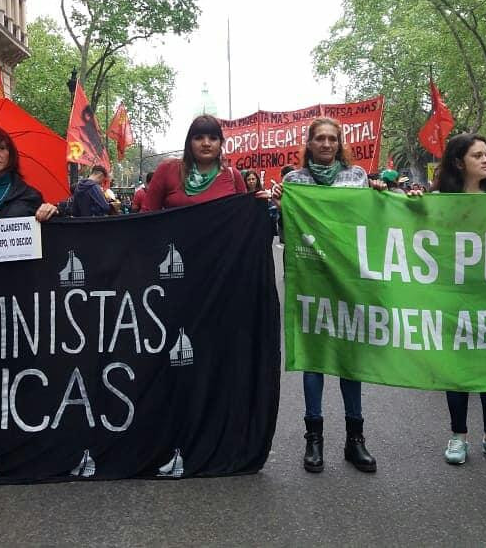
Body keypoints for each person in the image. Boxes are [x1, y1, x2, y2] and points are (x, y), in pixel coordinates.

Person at [270, 117, 394, 475]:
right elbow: (287, 230)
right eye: (319, 138)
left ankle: (355, 440)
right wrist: (281, 205)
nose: (325, 144)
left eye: (332, 139)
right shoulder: (294, 182)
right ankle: (314, 439)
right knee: (315, 358)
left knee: (349, 358)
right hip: (311, 278)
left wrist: (390, 200)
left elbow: (369, 220)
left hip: (349, 280)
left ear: (340, 144)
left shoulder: (356, 178)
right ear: (308, 144)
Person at [432, 133, 486, 467]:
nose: (485, 160)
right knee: (459, 369)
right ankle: (458, 435)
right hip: (454, 295)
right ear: (458, 162)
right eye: (477, 155)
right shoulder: (438, 199)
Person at [142, 115, 250, 211]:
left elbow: (245, 218)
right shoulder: (167, 170)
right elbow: (146, 217)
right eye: (199, 138)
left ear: (221, 143)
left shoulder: (233, 176)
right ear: (189, 142)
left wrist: (259, 202)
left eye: (213, 138)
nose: (206, 143)